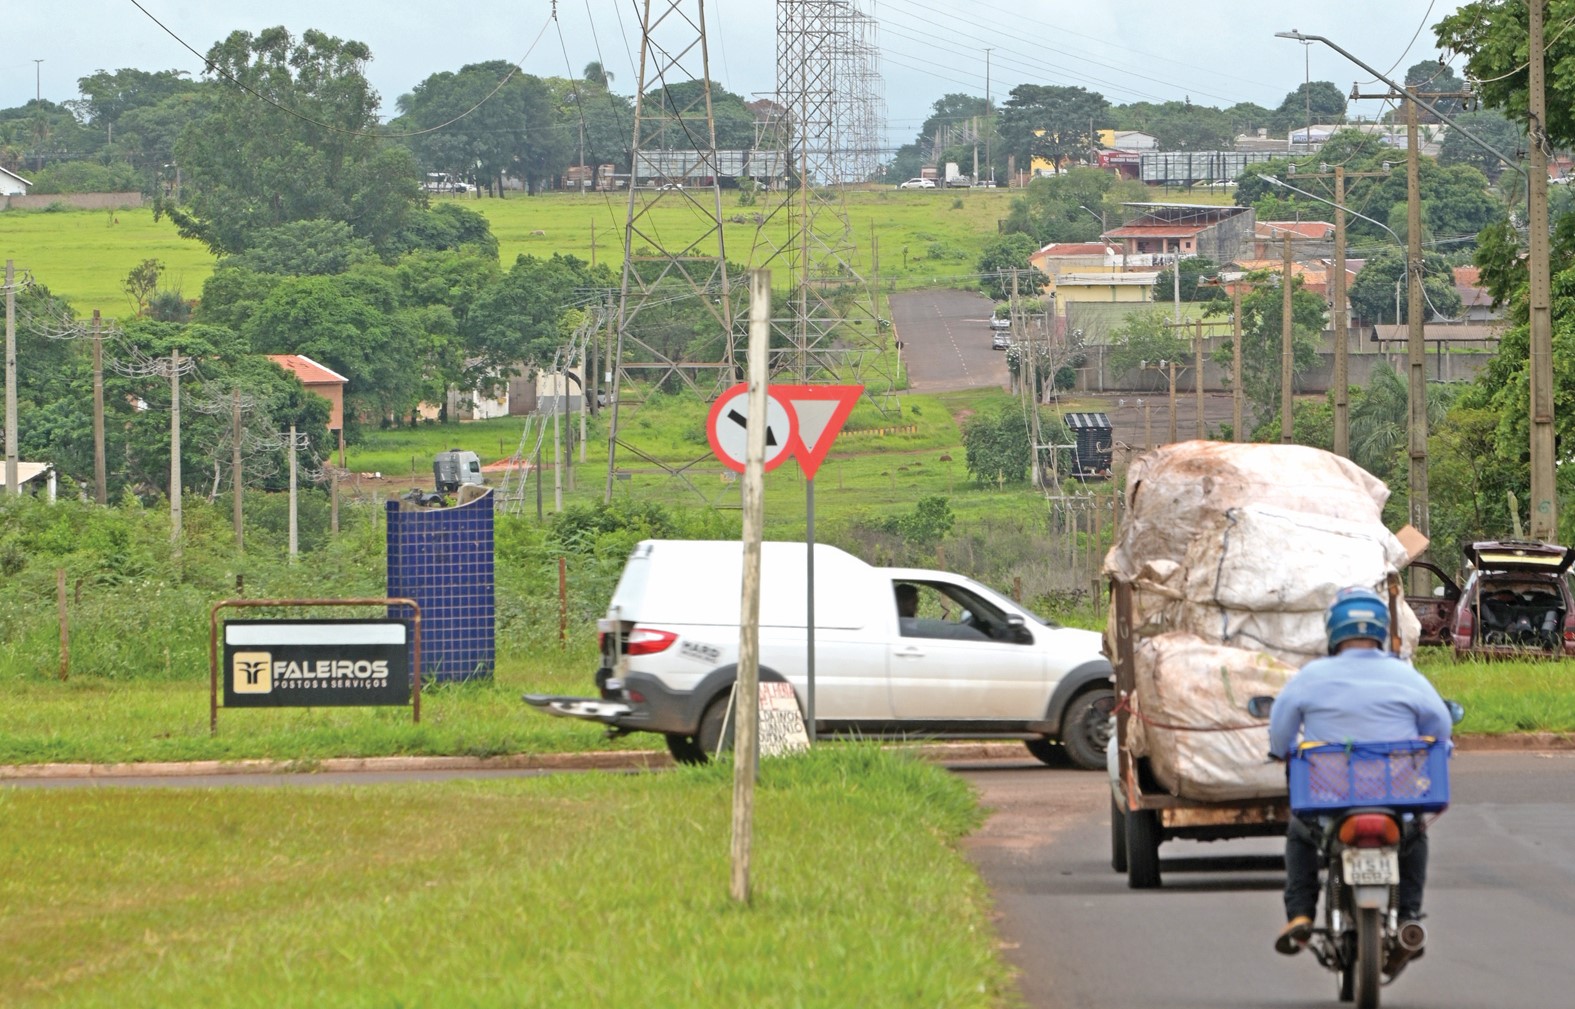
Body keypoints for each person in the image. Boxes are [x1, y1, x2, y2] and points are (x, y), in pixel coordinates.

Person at [1267, 586, 1453, 962]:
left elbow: (1281, 728)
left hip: (1329, 796)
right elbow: (1440, 723)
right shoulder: (1405, 675)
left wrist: (1279, 751)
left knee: (1301, 835)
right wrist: (1441, 744)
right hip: (1395, 795)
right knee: (1413, 836)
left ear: (1333, 630)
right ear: (1380, 629)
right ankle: (1408, 916)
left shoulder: (1311, 676)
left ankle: (1300, 914)